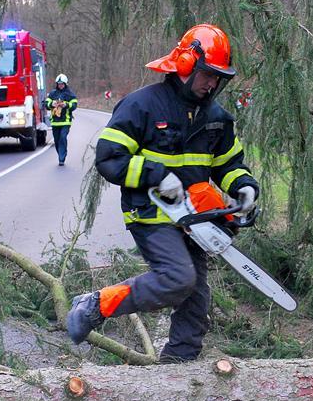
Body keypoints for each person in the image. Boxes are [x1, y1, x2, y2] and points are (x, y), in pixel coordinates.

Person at [65, 23, 259, 362]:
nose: (212, 83)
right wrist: (155, 175)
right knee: (177, 278)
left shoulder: (216, 118)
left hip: (195, 218)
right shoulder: (142, 106)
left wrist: (244, 187)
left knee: (195, 296)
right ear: (185, 65)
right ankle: (96, 304)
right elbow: (110, 158)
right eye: (208, 75)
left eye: (218, 77)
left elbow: (228, 164)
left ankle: (178, 366)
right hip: (151, 214)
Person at [45, 74, 78, 166]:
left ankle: (62, 158)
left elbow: (74, 105)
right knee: (57, 140)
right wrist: (51, 104)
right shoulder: (52, 93)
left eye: (62, 84)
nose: (60, 85)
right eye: (59, 84)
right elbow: (46, 104)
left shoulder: (70, 94)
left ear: (65, 84)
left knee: (63, 138)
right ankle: (60, 154)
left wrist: (66, 105)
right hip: (55, 122)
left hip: (65, 121)